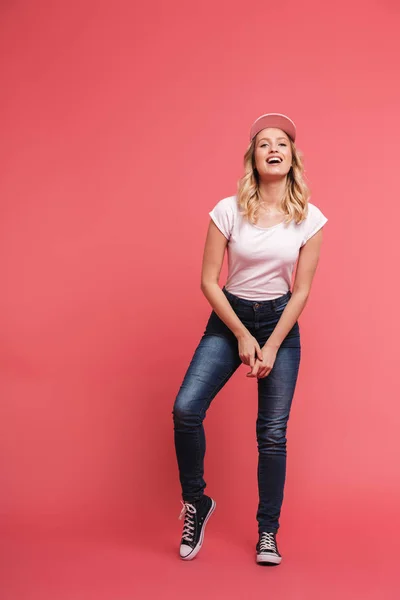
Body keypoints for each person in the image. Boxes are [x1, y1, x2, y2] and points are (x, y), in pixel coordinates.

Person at [172, 112, 328, 565]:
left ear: (292, 157)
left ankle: (267, 532)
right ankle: (196, 502)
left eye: (281, 142)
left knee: (272, 434)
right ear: (253, 158)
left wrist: (273, 344)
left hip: (280, 322)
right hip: (229, 318)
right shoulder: (227, 209)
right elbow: (207, 281)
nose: (273, 148)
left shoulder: (310, 219)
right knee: (186, 409)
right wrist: (241, 334)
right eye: (264, 143)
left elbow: (301, 290)